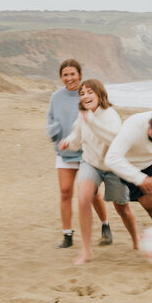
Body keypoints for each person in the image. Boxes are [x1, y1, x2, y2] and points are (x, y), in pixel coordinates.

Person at [59, 79, 138, 264]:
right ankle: (87, 251)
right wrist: (68, 142)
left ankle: (136, 240)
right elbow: (77, 137)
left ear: (99, 94)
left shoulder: (110, 115)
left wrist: (92, 122)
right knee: (84, 198)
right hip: (91, 163)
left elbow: (114, 139)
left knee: (122, 209)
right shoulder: (83, 116)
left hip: (113, 167)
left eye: (89, 92)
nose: (85, 96)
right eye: (82, 93)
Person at [46, 59, 112, 249]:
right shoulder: (55, 97)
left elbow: (100, 115)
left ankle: (105, 225)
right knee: (65, 193)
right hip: (64, 151)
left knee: (91, 194)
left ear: (80, 75)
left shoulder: (86, 94)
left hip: (86, 153)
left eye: (72, 74)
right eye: (65, 75)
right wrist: (55, 131)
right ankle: (67, 235)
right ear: (61, 77)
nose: (69, 78)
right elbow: (49, 120)